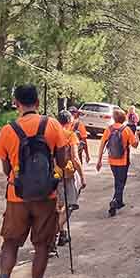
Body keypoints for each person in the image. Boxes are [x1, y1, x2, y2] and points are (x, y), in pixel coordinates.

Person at [0, 85, 69, 278]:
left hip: (17, 197)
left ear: (16, 102)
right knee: (42, 245)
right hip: (46, 197)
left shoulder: (8, 130)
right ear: (37, 100)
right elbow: (63, 162)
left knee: (10, 243)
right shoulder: (52, 125)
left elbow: (5, 169)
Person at [53, 110, 87, 257]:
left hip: (51, 175)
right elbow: (75, 158)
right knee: (71, 205)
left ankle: (62, 234)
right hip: (66, 174)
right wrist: (83, 177)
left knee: (58, 206)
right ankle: (53, 231)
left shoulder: (50, 135)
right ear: (69, 121)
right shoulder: (70, 135)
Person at [95, 109, 139, 217]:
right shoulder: (126, 129)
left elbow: (102, 145)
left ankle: (119, 201)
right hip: (123, 161)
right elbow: (135, 145)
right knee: (121, 183)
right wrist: (137, 134)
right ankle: (115, 201)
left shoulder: (109, 129)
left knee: (117, 181)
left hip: (112, 160)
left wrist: (99, 160)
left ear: (114, 118)